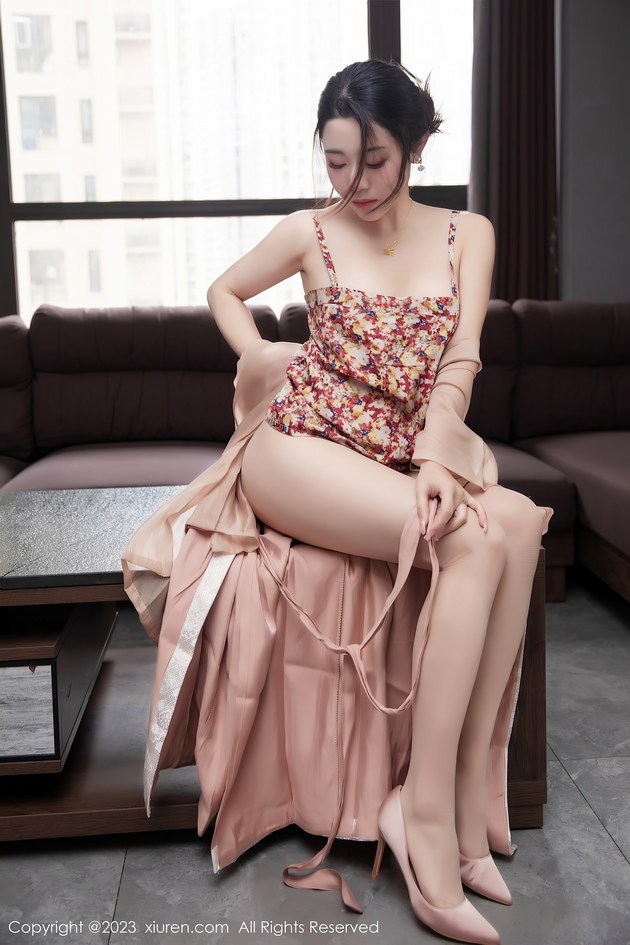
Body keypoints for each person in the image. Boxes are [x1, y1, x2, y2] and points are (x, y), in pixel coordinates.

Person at [122, 60, 553, 945]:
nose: (354, 182)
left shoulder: (466, 233)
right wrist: (262, 358)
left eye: (375, 160)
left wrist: (435, 453)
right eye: (336, 160)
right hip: (298, 450)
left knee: (516, 525)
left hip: (396, 448)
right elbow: (224, 291)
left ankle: (466, 807)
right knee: (471, 540)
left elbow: (461, 357)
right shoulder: (310, 232)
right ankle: (421, 818)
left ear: (417, 147)